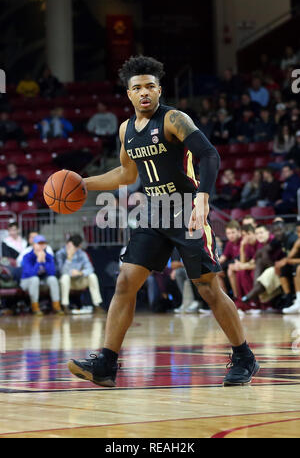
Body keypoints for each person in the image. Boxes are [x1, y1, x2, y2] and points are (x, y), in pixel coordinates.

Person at [67, 55, 259, 388]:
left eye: (150, 86)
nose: (144, 93)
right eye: (137, 87)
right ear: (128, 93)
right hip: (154, 212)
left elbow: (210, 154)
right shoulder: (126, 129)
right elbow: (126, 173)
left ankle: (244, 356)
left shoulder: (174, 119)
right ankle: (106, 365)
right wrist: (84, 184)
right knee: (126, 282)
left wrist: (203, 196)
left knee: (208, 288)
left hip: (186, 209)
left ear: (159, 90)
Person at [56, 234, 102, 312]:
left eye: (75, 247)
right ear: (67, 244)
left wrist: (80, 273)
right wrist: (69, 258)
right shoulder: (60, 254)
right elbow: (62, 272)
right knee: (65, 277)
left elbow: (90, 268)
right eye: (69, 245)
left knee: (92, 276)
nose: (72, 248)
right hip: (68, 281)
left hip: (79, 280)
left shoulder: (82, 254)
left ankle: (97, 305)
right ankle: (65, 306)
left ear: (79, 246)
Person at [20, 235, 62, 316]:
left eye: (43, 244)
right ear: (34, 245)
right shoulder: (27, 256)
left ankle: (56, 306)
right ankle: (35, 307)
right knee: (35, 279)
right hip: (26, 282)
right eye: (39, 244)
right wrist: (38, 261)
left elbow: (52, 272)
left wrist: (44, 261)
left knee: (52, 279)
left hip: (42, 283)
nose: (41, 246)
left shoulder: (49, 256)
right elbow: (30, 273)